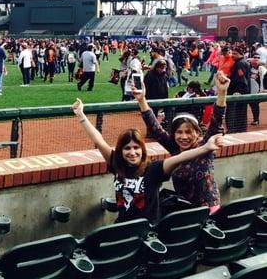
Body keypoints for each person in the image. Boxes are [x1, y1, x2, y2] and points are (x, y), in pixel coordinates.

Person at [72, 97, 223, 223]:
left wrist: (206, 148)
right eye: (127, 148)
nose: (132, 152)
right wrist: (81, 116)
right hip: (124, 225)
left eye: (136, 148)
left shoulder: (153, 169)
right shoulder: (118, 164)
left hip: (197, 213)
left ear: (143, 150)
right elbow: (99, 142)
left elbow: (179, 158)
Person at [133, 71, 229, 213]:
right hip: (183, 210)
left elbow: (216, 121)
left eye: (189, 132)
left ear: (198, 133)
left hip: (208, 211)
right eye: (179, 132)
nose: (184, 137)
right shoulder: (174, 148)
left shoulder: (205, 146)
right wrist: (141, 100)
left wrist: (222, 92)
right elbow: (155, 128)